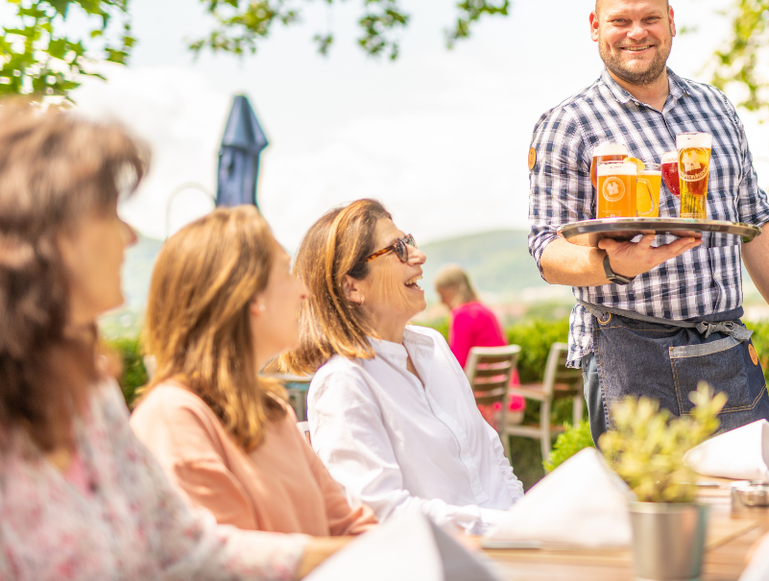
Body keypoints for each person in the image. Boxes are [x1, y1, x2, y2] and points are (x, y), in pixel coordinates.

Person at [0, 102, 345, 580]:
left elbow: (185, 549)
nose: (129, 236)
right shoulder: (167, 413)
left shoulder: (89, 395)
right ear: (41, 232)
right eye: (107, 213)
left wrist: (398, 557)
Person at [527, 0, 769, 440]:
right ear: (594, 26)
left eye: (649, 18)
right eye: (620, 21)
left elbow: (754, 220)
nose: (636, 32)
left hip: (726, 350)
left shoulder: (718, 108)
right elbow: (546, 251)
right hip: (628, 351)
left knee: (750, 501)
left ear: (671, 21)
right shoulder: (568, 123)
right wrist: (612, 263)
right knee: (654, 511)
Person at [130, 206, 378, 538]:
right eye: (285, 273)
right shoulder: (174, 417)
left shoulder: (273, 411)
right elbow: (237, 565)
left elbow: (348, 526)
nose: (303, 292)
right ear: (250, 295)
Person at [276, 199, 523, 533]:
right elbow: (382, 513)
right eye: (397, 249)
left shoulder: (433, 346)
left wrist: (523, 522)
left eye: (410, 242)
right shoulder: (345, 384)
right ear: (352, 286)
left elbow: (492, 456)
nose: (418, 257)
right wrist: (503, 528)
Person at [434, 265, 524, 426]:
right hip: (510, 401)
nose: (441, 302)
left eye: (442, 295)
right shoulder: (487, 311)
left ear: (453, 289)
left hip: (487, 407)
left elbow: (457, 365)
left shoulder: (460, 314)